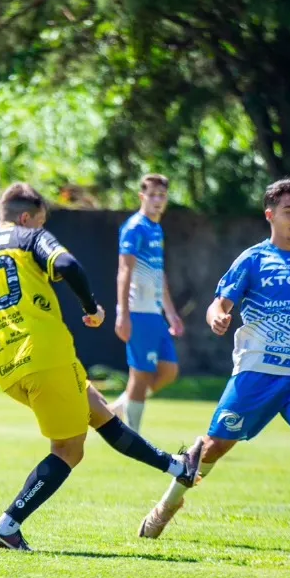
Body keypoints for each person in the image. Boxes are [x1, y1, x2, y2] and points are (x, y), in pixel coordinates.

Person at [0, 182, 204, 552]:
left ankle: (177, 467)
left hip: (9, 370)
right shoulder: (29, 238)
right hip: (46, 356)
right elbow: (67, 264)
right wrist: (91, 308)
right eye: (38, 221)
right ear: (26, 218)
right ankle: (6, 525)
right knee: (69, 450)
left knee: (98, 411)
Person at [136, 178, 290, 553]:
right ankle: (166, 506)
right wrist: (217, 316)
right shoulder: (253, 260)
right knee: (213, 448)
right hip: (256, 375)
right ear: (271, 216)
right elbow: (220, 302)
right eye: (289, 212)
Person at [110, 174, 185, 431]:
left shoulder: (156, 228)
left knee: (169, 371)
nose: (157, 200)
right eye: (152, 195)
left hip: (155, 314)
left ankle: (121, 406)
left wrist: (171, 314)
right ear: (142, 197)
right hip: (138, 312)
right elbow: (124, 270)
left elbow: (158, 273)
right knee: (140, 376)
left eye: (161, 196)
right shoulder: (134, 228)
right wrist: (123, 313)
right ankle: (132, 436)